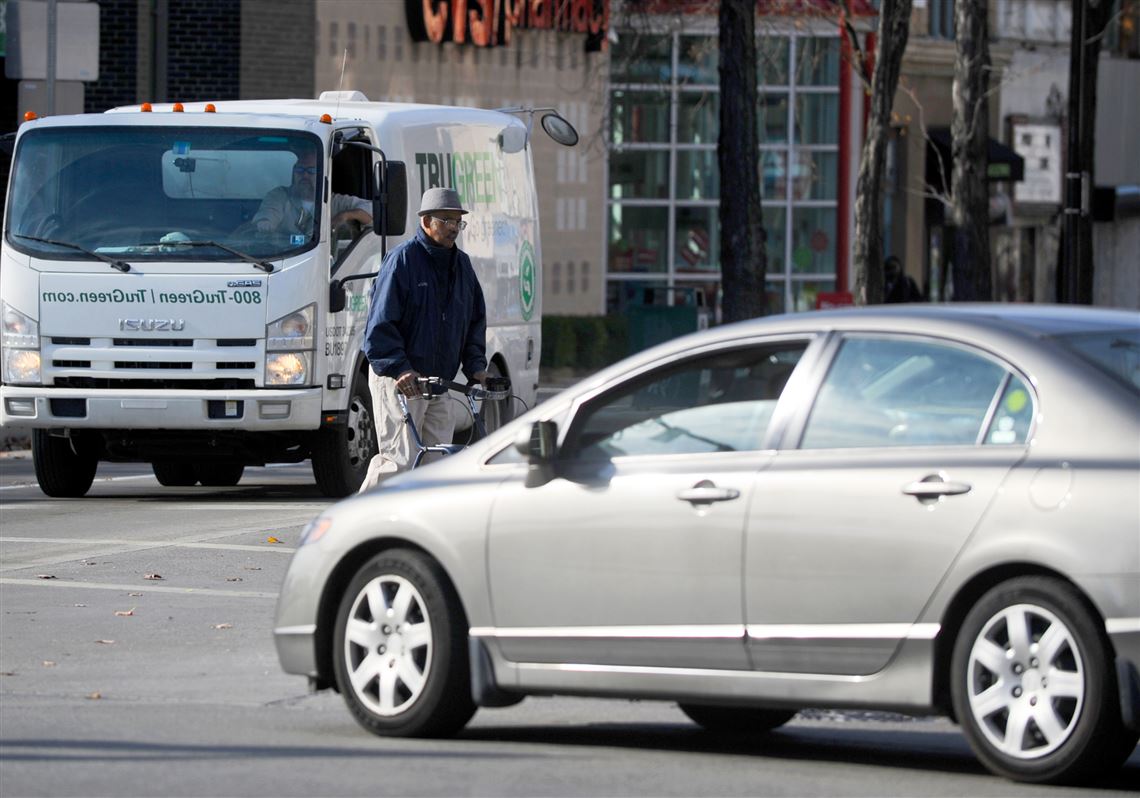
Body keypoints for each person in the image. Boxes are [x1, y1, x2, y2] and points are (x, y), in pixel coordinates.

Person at [358, 187, 488, 492]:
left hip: (438, 381)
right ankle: (352, 525)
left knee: (439, 466)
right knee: (399, 462)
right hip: (400, 379)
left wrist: (477, 368)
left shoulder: (463, 267)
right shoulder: (403, 260)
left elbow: (473, 323)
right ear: (427, 221)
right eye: (446, 220)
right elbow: (379, 326)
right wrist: (399, 368)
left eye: (458, 221)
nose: (454, 227)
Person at [252, 148, 371, 236]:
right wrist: (265, 227)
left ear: (322, 174)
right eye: (300, 170)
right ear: (294, 173)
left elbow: (373, 209)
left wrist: (345, 215)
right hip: (282, 258)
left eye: (311, 171)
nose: (304, 175)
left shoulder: (335, 202)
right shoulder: (280, 195)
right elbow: (266, 218)